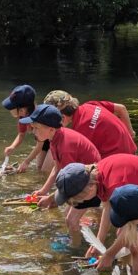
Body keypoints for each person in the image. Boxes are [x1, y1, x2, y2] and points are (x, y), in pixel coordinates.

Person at [42, 153, 138, 264]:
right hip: (132, 191)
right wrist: (98, 242)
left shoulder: (113, 186)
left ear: (89, 189)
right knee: (122, 238)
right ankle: (124, 266)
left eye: (81, 200)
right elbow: (107, 206)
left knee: (130, 240)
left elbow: (130, 228)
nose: (83, 203)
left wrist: (108, 254)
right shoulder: (96, 175)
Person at [23, 104, 101, 250]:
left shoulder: (66, 146)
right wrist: (44, 190)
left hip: (91, 183)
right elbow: (57, 167)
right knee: (70, 215)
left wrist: (51, 198)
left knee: (70, 219)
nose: (33, 131)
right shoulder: (54, 139)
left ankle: (76, 247)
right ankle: (93, 227)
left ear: (51, 129)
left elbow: (70, 185)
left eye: (36, 128)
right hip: (81, 180)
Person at [43, 90, 137, 157]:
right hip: (132, 150)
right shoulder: (90, 105)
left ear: (61, 117)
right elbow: (121, 108)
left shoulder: (80, 131)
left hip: (117, 161)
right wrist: (130, 133)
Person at [1, 84, 45, 172]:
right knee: (39, 167)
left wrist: (26, 162)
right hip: (43, 140)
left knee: (45, 169)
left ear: (22, 110)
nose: (10, 110)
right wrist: (12, 147)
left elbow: (40, 145)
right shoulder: (22, 117)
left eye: (12, 108)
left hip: (52, 141)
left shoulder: (39, 119)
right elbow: (21, 134)